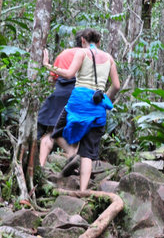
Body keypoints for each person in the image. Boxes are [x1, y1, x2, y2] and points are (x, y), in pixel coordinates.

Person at [43, 29, 120, 190]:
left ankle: (71, 153)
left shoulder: (82, 53)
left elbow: (69, 74)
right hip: (98, 105)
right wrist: (105, 97)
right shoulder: (109, 58)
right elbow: (117, 86)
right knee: (88, 152)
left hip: (78, 101)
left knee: (56, 131)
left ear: (83, 40)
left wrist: (48, 65)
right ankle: (83, 191)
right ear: (98, 42)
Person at [37, 32, 83, 167]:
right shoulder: (88, 56)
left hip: (59, 94)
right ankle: (73, 157)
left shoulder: (63, 54)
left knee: (51, 132)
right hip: (78, 95)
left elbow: (51, 79)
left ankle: (41, 166)